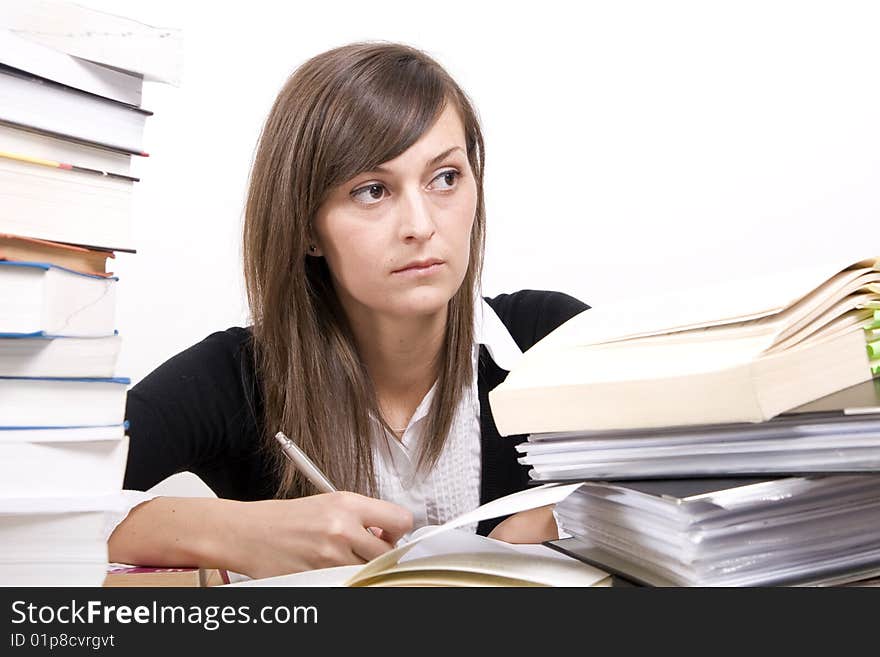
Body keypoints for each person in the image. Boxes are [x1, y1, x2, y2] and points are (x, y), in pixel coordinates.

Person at [108, 41, 589, 580]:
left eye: (446, 177)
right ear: (308, 227)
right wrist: (236, 531)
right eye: (372, 190)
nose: (420, 224)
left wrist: (585, 510)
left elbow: (697, 488)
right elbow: (29, 498)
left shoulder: (554, 342)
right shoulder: (235, 376)